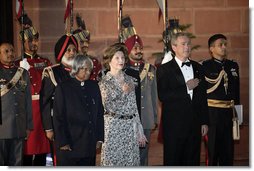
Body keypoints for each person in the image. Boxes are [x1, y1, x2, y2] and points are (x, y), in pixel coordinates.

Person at [156, 32, 209, 166]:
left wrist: (204, 121)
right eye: (183, 44)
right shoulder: (164, 69)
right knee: (173, 161)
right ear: (174, 47)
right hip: (174, 126)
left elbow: (202, 97)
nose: (187, 47)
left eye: (188, 44)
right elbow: (163, 95)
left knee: (192, 161)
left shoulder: (198, 67)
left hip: (194, 125)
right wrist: (186, 88)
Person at [99, 43, 147, 166]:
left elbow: (133, 106)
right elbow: (109, 107)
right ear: (109, 60)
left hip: (130, 128)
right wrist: (124, 93)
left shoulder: (129, 79)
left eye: (123, 58)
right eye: (117, 58)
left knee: (131, 162)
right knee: (113, 163)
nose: (121, 60)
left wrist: (139, 128)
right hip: (113, 128)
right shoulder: (104, 82)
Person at [53, 54, 104, 166]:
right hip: (70, 144)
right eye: (83, 68)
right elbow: (58, 117)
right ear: (76, 69)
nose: (87, 72)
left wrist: (99, 138)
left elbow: (99, 113)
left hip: (89, 144)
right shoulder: (63, 88)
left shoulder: (94, 86)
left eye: (89, 69)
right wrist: (63, 142)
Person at [16, 14, 52, 166]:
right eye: (29, 40)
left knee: (41, 152)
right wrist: (19, 70)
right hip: (27, 112)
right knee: (25, 152)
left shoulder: (45, 62)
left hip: (42, 110)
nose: (33, 43)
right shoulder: (17, 63)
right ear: (23, 42)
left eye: (36, 39)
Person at [122, 17, 158, 165]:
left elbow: (154, 95)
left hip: (146, 120)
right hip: (128, 120)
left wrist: (154, 118)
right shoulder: (123, 70)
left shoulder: (150, 69)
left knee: (143, 157)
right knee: (128, 155)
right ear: (128, 50)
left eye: (140, 48)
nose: (138, 51)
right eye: (135, 48)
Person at [40, 34, 78, 165]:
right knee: (62, 161)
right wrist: (48, 128)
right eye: (68, 50)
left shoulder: (81, 71)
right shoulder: (52, 72)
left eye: (74, 50)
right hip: (59, 126)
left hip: (78, 126)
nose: (72, 53)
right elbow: (45, 102)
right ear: (61, 52)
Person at [202, 34, 240, 166]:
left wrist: (238, 116)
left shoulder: (233, 65)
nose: (224, 47)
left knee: (228, 152)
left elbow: (236, 93)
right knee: (212, 151)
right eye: (220, 45)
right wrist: (203, 119)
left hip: (229, 114)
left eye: (225, 44)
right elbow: (201, 95)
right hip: (212, 114)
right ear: (211, 49)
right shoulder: (204, 67)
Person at [0, 43, 33, 166]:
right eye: (6, 51)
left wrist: (28, 125)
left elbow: (27, 101)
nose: (10, 53)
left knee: (17, 163)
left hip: (19, 125)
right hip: (2, 127)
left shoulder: (23, 73)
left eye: (12, 50)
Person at [73, 13, 102, 81]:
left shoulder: (94, 61)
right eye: (82, 42)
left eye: (87, 42)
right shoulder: (70, 62)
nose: (85, 45)